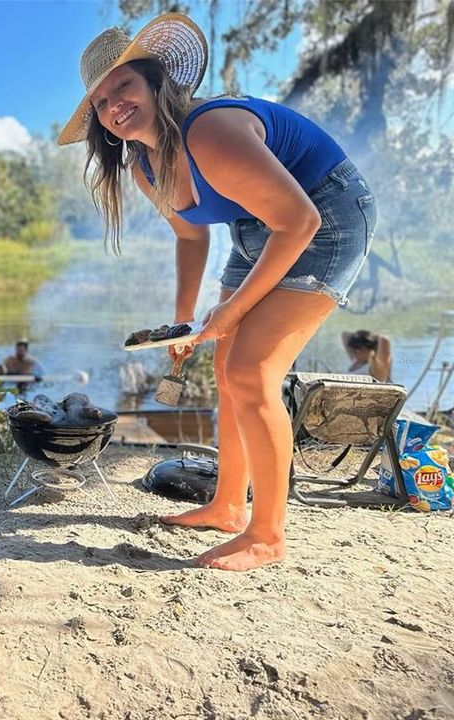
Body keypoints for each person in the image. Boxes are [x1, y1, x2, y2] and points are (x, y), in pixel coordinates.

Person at [60, 15, 375, 570]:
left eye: (124, 86)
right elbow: (190, 235)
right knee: (226, 365)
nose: (115, 105)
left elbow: (299, 221)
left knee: (252, 372)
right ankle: (227, 506)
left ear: (156, 82)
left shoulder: (209, 130)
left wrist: (233, 307)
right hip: (257, 225)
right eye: (102, 101)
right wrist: (182, 328)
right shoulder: (144, 165)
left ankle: (268, 537)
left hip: (326, 215)